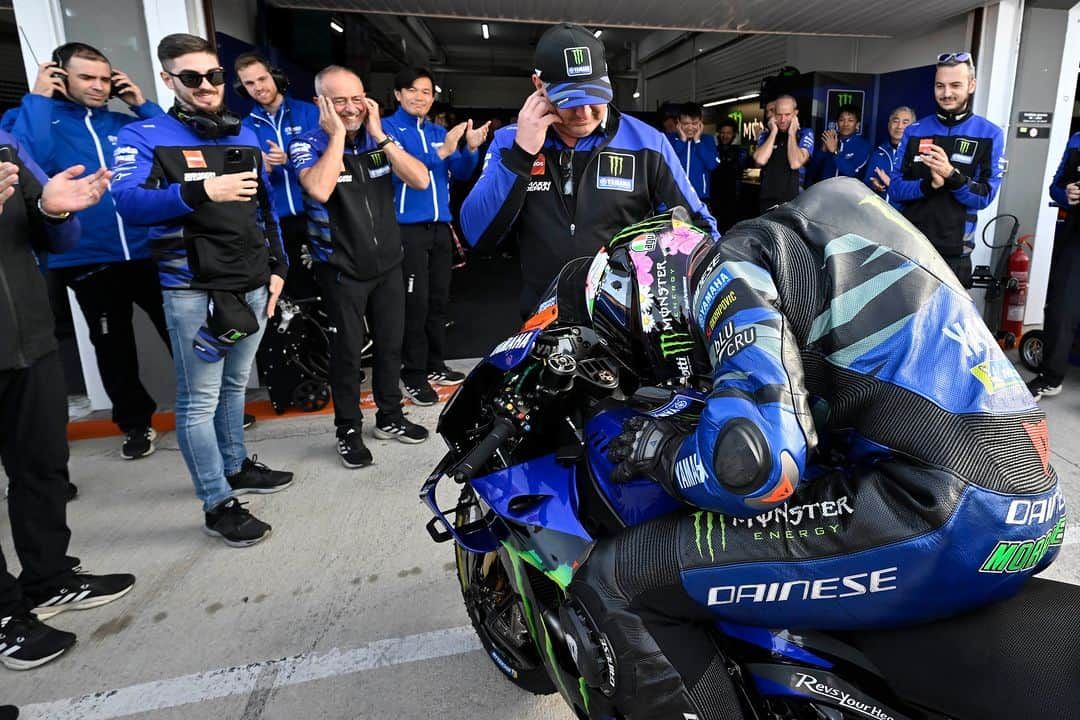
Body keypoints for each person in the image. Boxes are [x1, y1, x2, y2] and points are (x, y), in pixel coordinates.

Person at [560, 179, 1063, 718]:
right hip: (1029, 509)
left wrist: (662, 450)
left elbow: (752, 468)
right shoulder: (826, 226)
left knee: (622, 577)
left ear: (646, 299)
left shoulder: (728, 271)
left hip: (942, 509)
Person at [112, 33, 294, 547]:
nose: (207, 86)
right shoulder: (146, 135)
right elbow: (127, 203)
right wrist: (201, 190)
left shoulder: (245, 134)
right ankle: (217, 503)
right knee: (198, 401)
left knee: (235, 386)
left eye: (214, 76)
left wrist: (277, 266)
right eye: (192, 77)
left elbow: (266, 210)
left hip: (252, 284)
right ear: (168, 80)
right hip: (192, 290)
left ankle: (235, 465)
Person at [460, 22, 718, 314]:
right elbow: (476, 235)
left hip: (626, 321)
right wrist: (521, 155)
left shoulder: (647, 143)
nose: (584, 112)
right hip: (542, 322)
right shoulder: (511, 141)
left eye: (593, 96)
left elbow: (701, 229)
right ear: (538, 86)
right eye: (570, 100)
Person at [0, 131, 136, 670]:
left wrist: (55, 213)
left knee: (43, 469)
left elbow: (59, 238)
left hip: (30, 345)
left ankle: (49, 578)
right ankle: (5, 615)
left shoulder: (5, 147)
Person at [1, 42, 169, 460]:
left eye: (104, 79)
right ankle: (135, 424)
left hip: (149, 250)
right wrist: (38, 100)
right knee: (113, 347)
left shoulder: (121, 121)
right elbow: (27, 160)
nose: (98, 86)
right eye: (86, 78)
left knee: (182, 334)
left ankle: (214, 410)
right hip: (87, 257)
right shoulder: (30, 117)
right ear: (60, 77)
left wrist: (143, 104)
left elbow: (176, 148)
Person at [289, 65, 432, 468]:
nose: (350, 108)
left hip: (388, 264)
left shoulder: (376, 142)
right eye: (340, 101)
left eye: (357, 98)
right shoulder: (308, 143)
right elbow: (318, 188)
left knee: (391, 346)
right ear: (321, 104)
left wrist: (380, 135)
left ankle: (390, 416)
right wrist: (337, 136)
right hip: (340, 268)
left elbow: (420, 180)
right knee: (347, 354)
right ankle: (348, 428)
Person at [386, 66, 489, 405]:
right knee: (414, 306)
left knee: (438, 301)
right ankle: (413, 374)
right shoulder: (388, 131)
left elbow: (459, 173)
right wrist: (443, 150)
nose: (420, 97)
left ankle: (434, 364)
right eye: (413, 90)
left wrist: (470, 149)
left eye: (427, 92)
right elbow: (409, 170)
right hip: (407, 230)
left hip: (440, 229)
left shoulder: (435, 130)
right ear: (399, 94)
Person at [889, 52, 1005, 288]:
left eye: (955, 85)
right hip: (910, 248)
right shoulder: (915, 130)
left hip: (954, 255)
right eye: (940, 85)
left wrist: (953, 176)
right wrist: (928, 185)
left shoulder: (990, 133)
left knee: (947, 325)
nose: (946, 93)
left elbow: (985, 196)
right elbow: (895, 188)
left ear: (971, 85)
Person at [235, 52, 321, 300]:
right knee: (294, 293)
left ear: (275, 77)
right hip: (278, 223)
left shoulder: (309, 113)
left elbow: (331, 161)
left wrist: (290, 160)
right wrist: (260, 170)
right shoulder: (244, 128)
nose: (258, 87)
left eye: (262, 79)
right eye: (249, 83)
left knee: (330, 285)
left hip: (318, 213)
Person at [1026, 132, 1080, 400]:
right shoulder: (1078, 140)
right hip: (1075, 238)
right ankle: (1050, 377)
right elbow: (1055, 187)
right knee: (1062, 308)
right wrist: (1066, 194)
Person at [752, 94, 813, 213]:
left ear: (795, 113)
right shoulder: (766, 135)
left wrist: (791, 133)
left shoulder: (804, 133)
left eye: (787, 115)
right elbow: (759, 161)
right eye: (779, 115)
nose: (783, 119)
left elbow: (795, 163)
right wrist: (773, 133)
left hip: (794, 201)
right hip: (767, 200)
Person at [667, 102, 720, 208]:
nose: (690, 127)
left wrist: (697, 141)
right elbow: (667, 163)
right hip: (675, 196)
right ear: (678, 122)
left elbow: (712, 165)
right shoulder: (670, 139)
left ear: (701, 122)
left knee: (698, 225)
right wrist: (682, 141)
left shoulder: (708, 140)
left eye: (694, 123)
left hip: (700, 197)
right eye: (686, 123)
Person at [864, 105, 915, 206]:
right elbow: (866, 182)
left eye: (905, 122)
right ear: (889, 125)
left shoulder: (918, 155)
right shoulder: (878, 153)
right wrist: (874, 184)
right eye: (895, 121)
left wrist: (891, 184)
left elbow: (921, 189)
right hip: (880, 215)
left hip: (905, 218)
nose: (899, 126)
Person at [808, 103, 871, 184]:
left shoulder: (864, 146)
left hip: (849, 194)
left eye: (850, 120)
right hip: (824, 192)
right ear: (837, 123)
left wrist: (835, 151)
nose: (845, 124)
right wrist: (823, 150)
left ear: (857, 125)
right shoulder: (829, 140)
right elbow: (812, 172)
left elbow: (852, 172)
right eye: (841, 120)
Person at [709, 118, 749, 232]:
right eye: (722, 133)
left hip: (734, 198)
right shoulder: (714, 150)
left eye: (728, 133)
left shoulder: (741, 151)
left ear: (734, 135)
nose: (725, 136)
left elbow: (743, 169)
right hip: (716, 196)